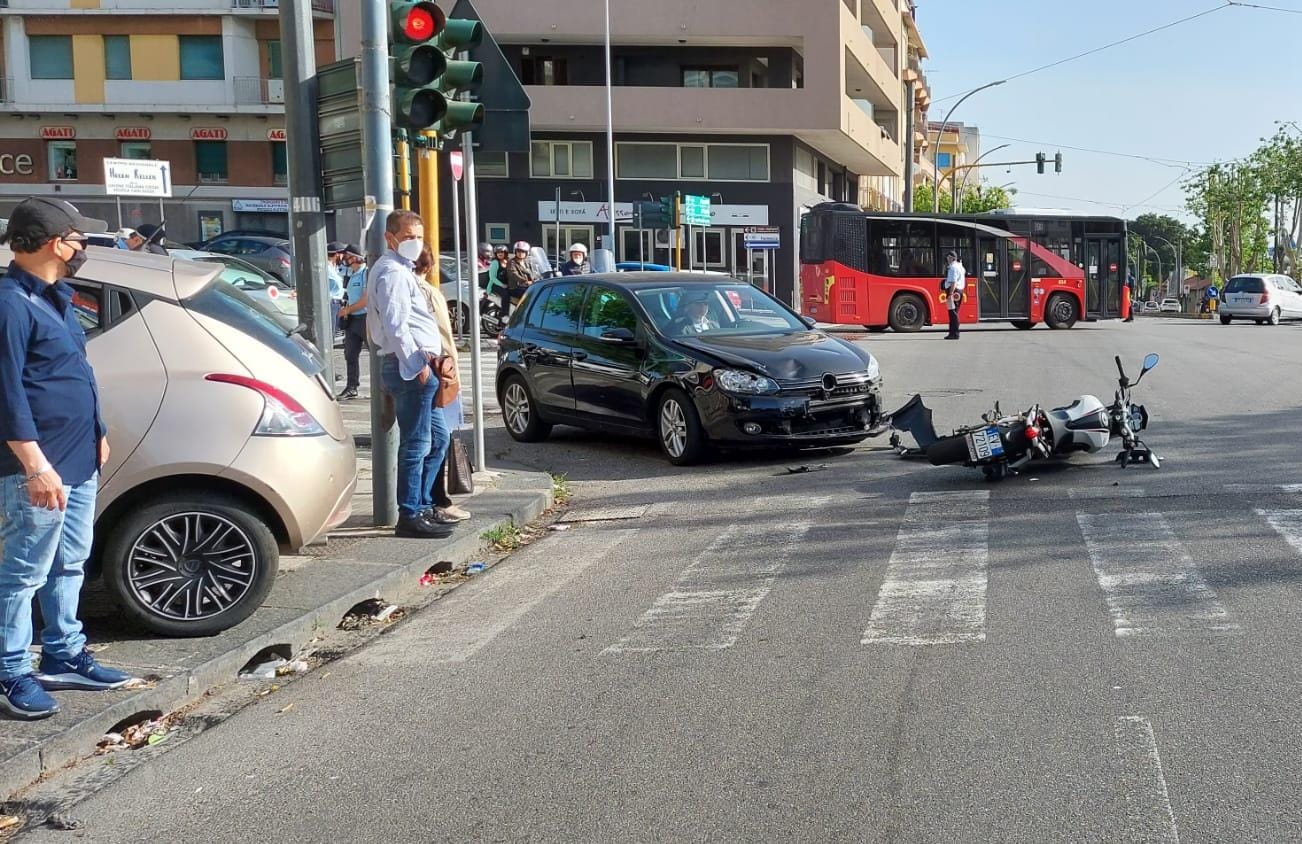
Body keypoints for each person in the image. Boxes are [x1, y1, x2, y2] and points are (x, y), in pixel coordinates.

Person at [0, 197, 135, 720]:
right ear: (57, 243)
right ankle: (12, 670)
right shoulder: (10, 303)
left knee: (69, 562)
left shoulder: (55, 296)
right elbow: (7, 392)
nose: (83, 249)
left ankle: (63, 653)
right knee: (23, 573)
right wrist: (35, 465)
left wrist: (97, 430)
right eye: (78, 239)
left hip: (78, 458)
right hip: (36, 469)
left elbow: (75, 370)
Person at [365, 210, 454, 540]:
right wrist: (414, 364)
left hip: (420, 364)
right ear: (390, 239)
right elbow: (395, 324)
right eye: (408, 237)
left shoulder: (401, 270)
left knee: (438, 438)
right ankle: (411, 514)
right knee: (416, 443)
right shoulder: (391, 273)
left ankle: (424, 504)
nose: (415, 243)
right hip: (410, 366)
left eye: (419, 236)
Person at [413, 246, 472, 525]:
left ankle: (430, 500)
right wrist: (450, 373)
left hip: (433, 371)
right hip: (437, 371)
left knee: (432, 440)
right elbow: (441, 337)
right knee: (435, 439)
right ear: (431, 266)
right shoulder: (424, 292)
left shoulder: (416, 289)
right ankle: (429, 501)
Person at [336, 245, 368, 400]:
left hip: (365, 318)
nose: (344, 259)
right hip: (352, 320)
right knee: (350, 354)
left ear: (355, 257)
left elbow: (365, 300)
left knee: (375, 354)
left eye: (347, 256)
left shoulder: (365, 273)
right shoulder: (351, 274)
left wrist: (347, 311)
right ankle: (351, 386)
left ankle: (381, 386)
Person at [501, 241, 538, 319]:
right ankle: (522, 316)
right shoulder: (511, 262)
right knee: (529, 295)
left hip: (525, 286)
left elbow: (533, 272)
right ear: (515, 252)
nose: (520, 253)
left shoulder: (527, 262)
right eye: (518, 251)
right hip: (515, 287)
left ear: (526, 253)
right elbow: (513, 274)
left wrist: (538, 278)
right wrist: (525, 281)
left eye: (523, 251)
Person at [942, 250, 966, 340]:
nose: (947, 259)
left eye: (948, 257)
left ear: (952, 258)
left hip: (953, 291)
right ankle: (953, 332)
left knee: (953, 313)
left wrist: (950, 294)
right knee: (954, 312)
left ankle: (954, 333)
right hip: (958, 291)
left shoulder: (953, 268)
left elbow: (953, 282)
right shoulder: (960, 266)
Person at [326, 241, 347, 342]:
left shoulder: (335, 267)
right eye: (343, 254)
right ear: (337, 254)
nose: (344, 257)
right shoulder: (326, 268)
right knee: (329, 334)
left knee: (333, 332)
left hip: (338, 303)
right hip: (331, 303)